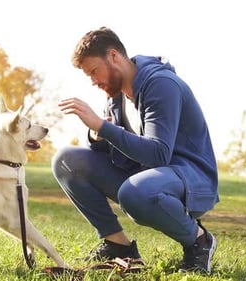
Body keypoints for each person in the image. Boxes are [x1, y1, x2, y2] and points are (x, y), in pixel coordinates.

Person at [52, 26, 219, 274]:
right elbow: (120, 148)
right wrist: (96, 135)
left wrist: (101, 125)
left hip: (190, 178)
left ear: (114, 56)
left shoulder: (160, 84)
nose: (93, 81)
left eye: (94, 71)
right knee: (66, 160)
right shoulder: (115, 94)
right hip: (145, 177)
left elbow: (158, 153)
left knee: (134, 192)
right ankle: (118, 245)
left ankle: (199, 240)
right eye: (88, 76)